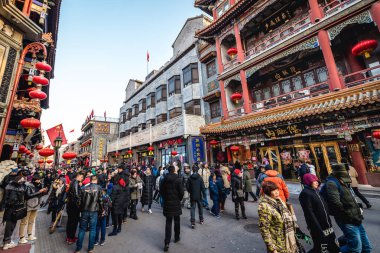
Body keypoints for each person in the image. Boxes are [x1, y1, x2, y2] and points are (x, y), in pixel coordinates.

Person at [325, 163, 372, 253]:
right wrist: (349, 213)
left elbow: (350, 198)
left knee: (366, 247)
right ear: (339, 173)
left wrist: (357, 207)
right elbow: (335, 203)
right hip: (347, 219)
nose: (347, 173)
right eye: (345, 172)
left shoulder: (343, 180)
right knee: (355, 248)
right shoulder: (332, 183)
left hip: (356, 218)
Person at [2, 172, 46, 250]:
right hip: (15, 208)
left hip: (9, 208)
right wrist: (39, 192)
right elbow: (28, 196)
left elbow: (4, 199)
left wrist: (2, 207)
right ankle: (6, 243)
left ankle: (7, 241)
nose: (24, 179)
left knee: (10, 225)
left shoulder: (8, 186)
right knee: (11, 225)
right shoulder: (22, 187)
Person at [299, 174, 340, 253]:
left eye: (317, 181)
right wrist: (317, 228)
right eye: (314, 181)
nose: (317, 182)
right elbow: (309, 213)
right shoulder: (305, 193)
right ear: (308, 181)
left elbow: (325, 208)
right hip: (318, 227)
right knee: (321, 247)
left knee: (333, 245)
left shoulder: (316, 191)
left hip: (327, 225)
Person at [258, 181, 300, 253]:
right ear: (268, 192)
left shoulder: (279, 201)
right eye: (273, 191)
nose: (277, 192)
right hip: (278, 245)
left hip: (289, 241)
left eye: (277, 190)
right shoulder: (264, 206)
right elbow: (264, 229)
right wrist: (272, 249)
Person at [75, 176, 103, 253]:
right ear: (96, 180)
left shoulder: (84, 187)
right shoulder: (99, 188)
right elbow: (100, 200)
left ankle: (78, 249)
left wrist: (80, 209)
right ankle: (90, 249)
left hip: (84, 211)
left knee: (82, 229)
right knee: (92, 229)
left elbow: (79, 201)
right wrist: (101, 210)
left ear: (90, 180)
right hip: (94, 211)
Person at [160, 165, 184, 252]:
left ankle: (167, 242)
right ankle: (177, 237)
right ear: (174, 171)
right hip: (176, 203)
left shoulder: (164, 180)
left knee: (168, 222)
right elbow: (181, 192)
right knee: (177, 221)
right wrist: (179, 199)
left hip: (167, 203)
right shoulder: (178, 179)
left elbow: (161, 191)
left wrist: (165, 198)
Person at [19, 174, 47, 244]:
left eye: (40, 180)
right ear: (34, 180)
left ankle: (29, 234)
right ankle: (21, 237)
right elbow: (28, 195)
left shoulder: (39, 185)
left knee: (31, 221)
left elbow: (40, 195)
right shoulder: (28, 185)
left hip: (36, 205)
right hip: (29, 205)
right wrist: (39, 192)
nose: (39, 181)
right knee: (24, 221)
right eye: (38, 180)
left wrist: (43, 192)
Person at [66, 172, 84, 244]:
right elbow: (77, 195)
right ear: (78, 176)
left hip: (70, 205)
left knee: (70, 222)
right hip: (74, 206)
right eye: (82, 177)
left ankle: (69, 237)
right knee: (74, 222)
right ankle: (71, 238)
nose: (82, 179)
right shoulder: (76, 182)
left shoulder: (72, 182)